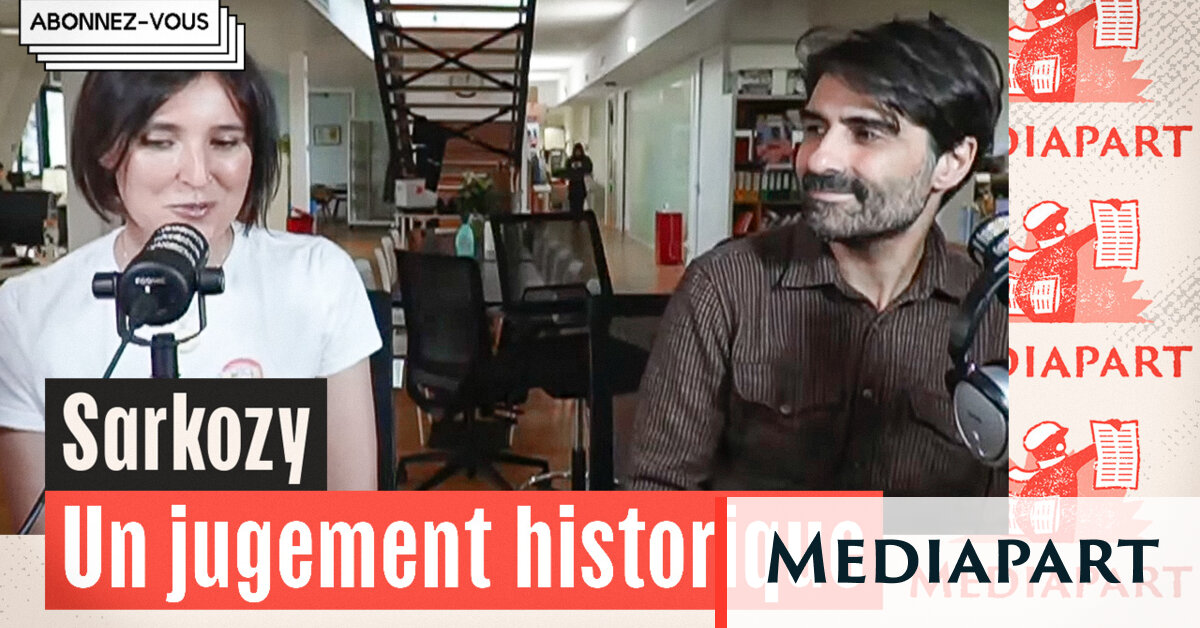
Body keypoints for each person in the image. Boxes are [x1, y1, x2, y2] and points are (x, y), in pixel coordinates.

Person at [0, 58, 382, 533]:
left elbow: (352, 522)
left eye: (225, 142)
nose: (199, 175)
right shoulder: (28, 313)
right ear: (107, 149)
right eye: (160, 141)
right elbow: (44, 556)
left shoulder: (320, 279)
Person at [629, 16, 1007, 495]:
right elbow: (657, 494)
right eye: (814, 128)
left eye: (866, 133)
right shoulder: (724, 288)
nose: (817, 159)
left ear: (952, 162)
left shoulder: (998, 317)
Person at [564, 143, 593, 213]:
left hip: (581, 187)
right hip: (572, 187)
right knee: (572, 208)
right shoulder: (570, 160)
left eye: (579, 151)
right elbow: (566, 171)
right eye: (576, 151)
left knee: (580, 208)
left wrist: (581, 165)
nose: (578, 153)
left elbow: (589, 168)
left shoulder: (585, 160)